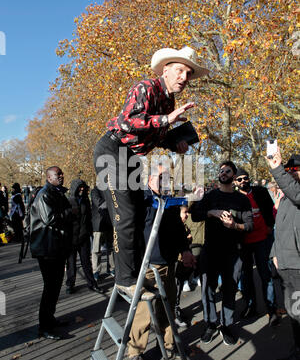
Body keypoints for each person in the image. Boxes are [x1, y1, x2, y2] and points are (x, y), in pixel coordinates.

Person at [93, 46, 208, 300]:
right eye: (180, 71)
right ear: (165, 70)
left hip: (133, 157)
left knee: (135, 217)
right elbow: (128, 121)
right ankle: (124, 280)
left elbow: (152, 135)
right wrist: (166, 119)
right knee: (124, 216)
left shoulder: (169, 101)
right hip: (111, 151)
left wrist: (173, 142)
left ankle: (135, 274)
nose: (184, 78)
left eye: (188, 74)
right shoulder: (145, 87)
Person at [127, 168, 195, 360]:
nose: (164, 183)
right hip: (148, 266)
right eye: (160, 179)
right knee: (144, 312)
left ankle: (168, 344)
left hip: (169, 263)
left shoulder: (170, 201)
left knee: (168, 306)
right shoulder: (141, 201)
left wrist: (185, 250)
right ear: (149, 181)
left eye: (167, 179)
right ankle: (136, 353)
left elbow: (177, 229)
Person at [190, 161, 253, 346]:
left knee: (229, 289)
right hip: (211, 250)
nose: (223, 173)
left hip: (233, 253)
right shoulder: (210, 196)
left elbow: (249, 225)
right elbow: (195, 215)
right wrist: (211, 212)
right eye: (221, 171)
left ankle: (226, 325)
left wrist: (234, 225)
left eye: (227, 171)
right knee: (207, 289)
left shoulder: (241, 199)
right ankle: (210, 323)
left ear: (233, 177)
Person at [266, 150, 300, 360]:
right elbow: (280, 229)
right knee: (295, 315)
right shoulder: (286, 198)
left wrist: (277, 169)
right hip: (286, 265)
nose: (292, 171)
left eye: (295, 168)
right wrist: (275, 254)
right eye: (290, 169)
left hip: (298, 266)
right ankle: (298, 354)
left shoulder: (295, 194)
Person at [30, 166, 72, 340]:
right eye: (57, 174)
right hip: (46, 248)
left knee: (55, 286)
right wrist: (71, 212)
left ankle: (50, 319)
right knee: (50, 287)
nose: (61, 176)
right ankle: (44, 327)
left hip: (54, 246)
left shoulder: (56, 192)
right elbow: (50, 219)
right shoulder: (45, 194)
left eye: (62, 173)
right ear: (49, 177)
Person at [234, 168, 279, 326]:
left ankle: (272, 309)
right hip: (244, 243)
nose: (243, 181)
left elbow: (271, 210)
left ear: (249, 178)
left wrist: (269, 225)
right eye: (239, 179)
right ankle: (251, 306)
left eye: (245, 178)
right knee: (246, 277)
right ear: (235, 182)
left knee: (265, 275)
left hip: (262, 239)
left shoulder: (260, 191)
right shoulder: (234, 197)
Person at [66, 179, 102, 294]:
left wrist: (89, 232)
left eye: (83, 187)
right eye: (80, 187)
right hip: (71, 238)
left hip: (84, 236)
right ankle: (70, 284)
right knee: (71, 263)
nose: (82, 189)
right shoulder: (68, 200)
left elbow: (89, 217)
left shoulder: (85, 200)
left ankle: (92, 283)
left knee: (86, 262)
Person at [91, 185, 113, 283]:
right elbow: (100, 204)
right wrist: (112, 203)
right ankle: (96, 271)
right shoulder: (95, 191)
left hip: (109, 223)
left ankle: (111, 268)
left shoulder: (111, 190)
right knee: (96, 250)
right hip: (98, 225)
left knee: (111, 248)